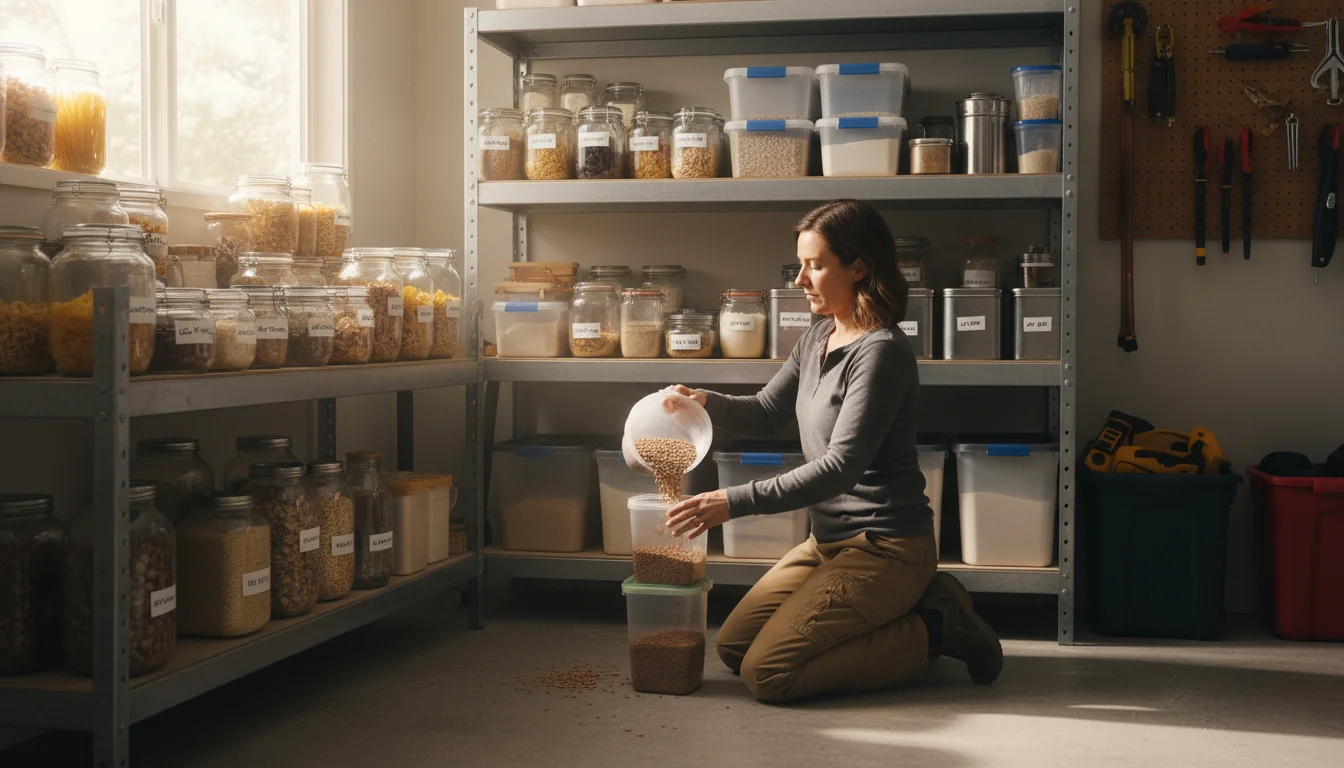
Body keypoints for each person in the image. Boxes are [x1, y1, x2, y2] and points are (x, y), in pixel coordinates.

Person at [663, 199, 1002, 704]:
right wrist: (703, 403)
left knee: (769, 674)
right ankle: (902, 613)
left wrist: (731, 501)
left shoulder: (880, 352)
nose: (800, 278)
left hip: (886, 546)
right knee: (735, 648)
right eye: (801, 263)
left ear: (858, 267)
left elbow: (840, 469)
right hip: (827, 544)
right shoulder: (819, 334)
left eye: (815, 265)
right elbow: (765, 411)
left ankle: (936, 624)